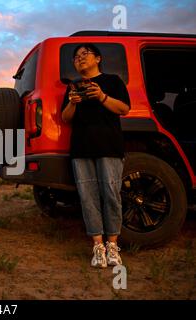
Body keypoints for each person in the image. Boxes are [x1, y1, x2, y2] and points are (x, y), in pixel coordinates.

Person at [61, 43, 131, 268]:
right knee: (87, 197)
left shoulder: (113, 81)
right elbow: (66, 118)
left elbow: (124, 109)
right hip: (81, 149)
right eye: (76, 57)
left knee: (111, 194)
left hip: (109, 147)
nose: (80, 59)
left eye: (85, 54)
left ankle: (113, 246)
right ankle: (97, 246)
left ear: (98, 58)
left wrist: (101, 96)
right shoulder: (73, 87)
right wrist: (72, 103)